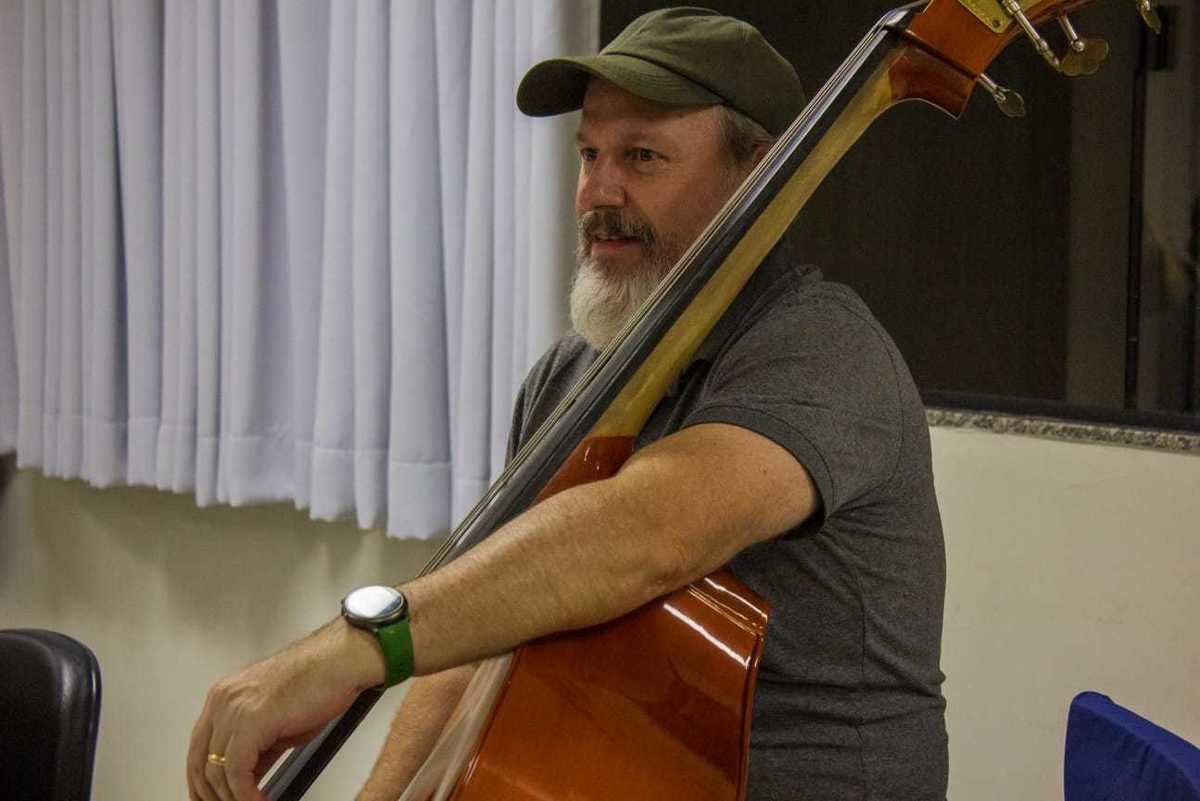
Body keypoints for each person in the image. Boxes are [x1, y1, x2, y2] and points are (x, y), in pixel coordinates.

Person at [187, 9, 948, 801]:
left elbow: (644, 532)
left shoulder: (823, 350)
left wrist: (355, 645)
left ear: (758, 174)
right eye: (590, 154)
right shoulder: (571, 374)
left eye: (642, 156)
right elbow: (484, 634)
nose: (597, 192)